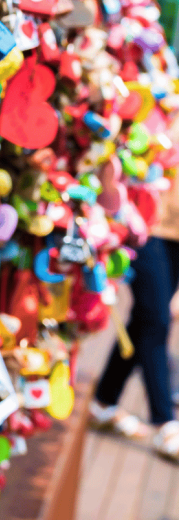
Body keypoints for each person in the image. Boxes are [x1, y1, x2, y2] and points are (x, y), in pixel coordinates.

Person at [89, 115, 179, 461]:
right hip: (143, 224)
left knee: (143, 321)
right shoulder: (161, 92)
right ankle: (165, 424)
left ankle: (104, 402)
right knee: (156, 320)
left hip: (174, 235)